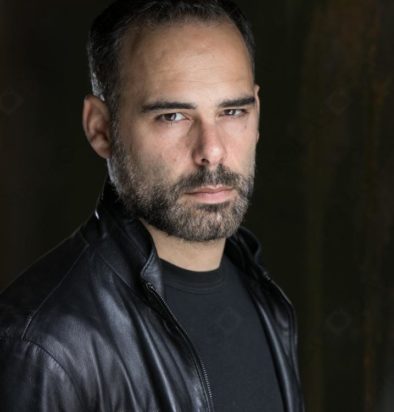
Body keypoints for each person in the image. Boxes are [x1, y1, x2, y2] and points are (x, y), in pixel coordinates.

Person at [0, 1, 303, 411]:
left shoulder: (264, 298)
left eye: (232, 111)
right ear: (100, 128)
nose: (212, 151)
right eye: (173, 116)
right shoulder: (42, 346)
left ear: (257, 113)